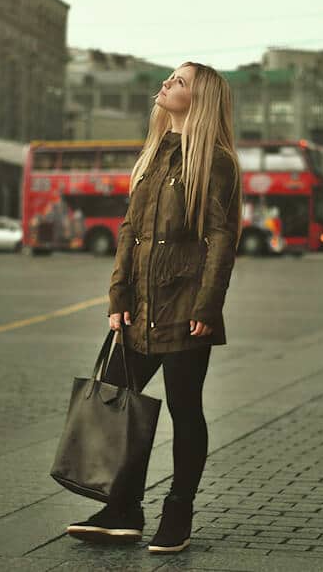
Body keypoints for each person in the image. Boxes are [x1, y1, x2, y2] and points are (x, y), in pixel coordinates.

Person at [65, 63, 242, 554]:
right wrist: (117, 296)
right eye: (169, 77)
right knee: (121, 402)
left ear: (200, 98)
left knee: (186, 411)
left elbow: (220, 240)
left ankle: (178, 513)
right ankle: (123, 509)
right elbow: (129, 230)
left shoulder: (216, 161)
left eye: (179, 81)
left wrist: (207, 304)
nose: (166, 84)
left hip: (187, 309)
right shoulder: (153, 155)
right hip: (139, 308)